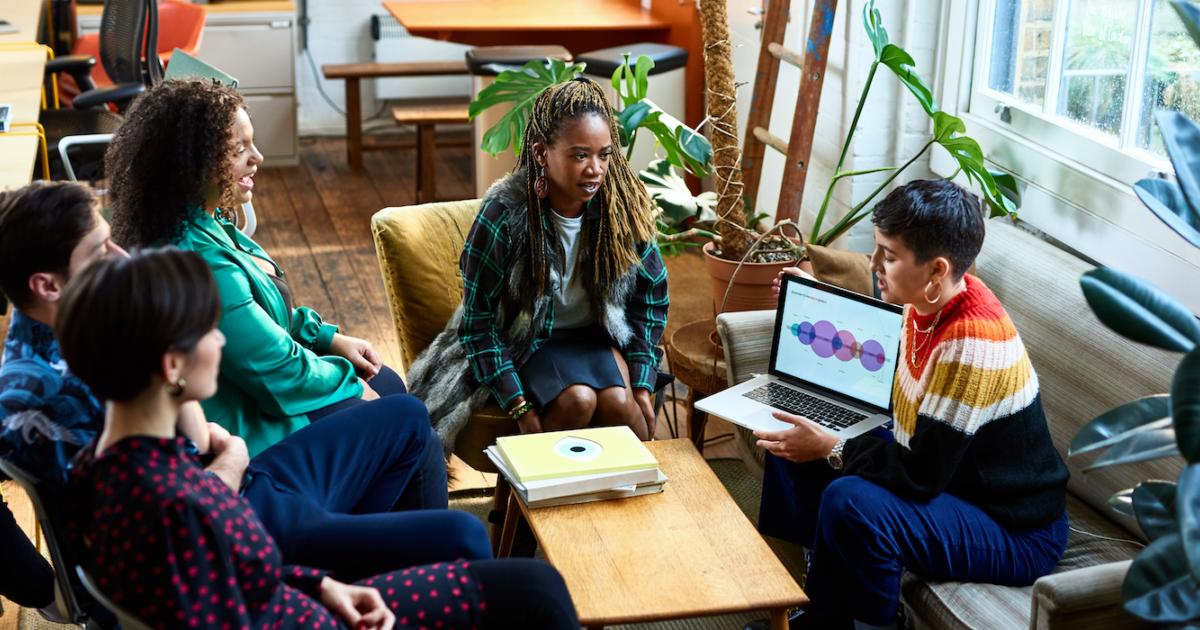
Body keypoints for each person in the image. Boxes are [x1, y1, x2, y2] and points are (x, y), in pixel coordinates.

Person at [0, 181, 490, 592]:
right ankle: (386, 583)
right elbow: (176, 521)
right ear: (47, 285)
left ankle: (375, 579)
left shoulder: (78, 320)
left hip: (232, 481)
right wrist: (49, 593)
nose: (120, 255)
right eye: (99, 250)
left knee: (406, 416)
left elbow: (191, 433)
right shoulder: (42, 394)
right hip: (226, 525)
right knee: (460, 531)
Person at [60, 248, 580, 630]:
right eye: (207, 329)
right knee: (538, 591)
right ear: (171, 365)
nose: (220, 339)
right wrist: (327, 601)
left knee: (513, 573)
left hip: (308, 601)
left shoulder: (102, 466)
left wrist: (321, 584)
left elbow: (239, 581)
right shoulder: (178, 508)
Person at [749, 179, 1070, 630]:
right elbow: (879, 352)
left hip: (1014, 527)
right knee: (795, 432)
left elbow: (921, 476)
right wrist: (815, 296)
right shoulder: (931, 300)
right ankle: (822, 612)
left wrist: (831, 447)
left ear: (937, 269)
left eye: (889, 255)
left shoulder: (971, 342)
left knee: (850, 499)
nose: (873, 264)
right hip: (950, 475)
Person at [107, 78, 405, 458]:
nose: (257, 157)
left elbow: (261, 314)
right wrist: (347, 383)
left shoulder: (202, 220)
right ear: (193, 163)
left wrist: (326, 339)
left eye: (252, 143)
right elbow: (275, 369)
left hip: (263, 389)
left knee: (388, 385)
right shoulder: (199, 260)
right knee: (399, 409)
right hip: (251, 422)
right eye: (239, 149)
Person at [407, 77, 669, 451]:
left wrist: (642, 382)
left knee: (626, 411)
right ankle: (520, 485)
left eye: (604, 155)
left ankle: (611, 490)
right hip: (526, 340)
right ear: (542, 154)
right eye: (580, 155)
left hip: (596, 337)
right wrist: (518, 404)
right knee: (577, 402)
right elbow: (478, 321)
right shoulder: (503, 215)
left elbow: (651, 299)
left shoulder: (621, 210)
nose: (595, 169)